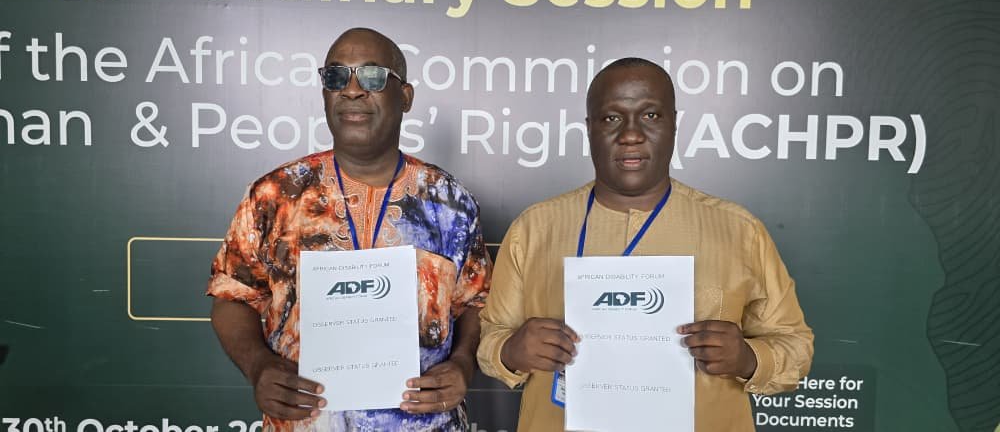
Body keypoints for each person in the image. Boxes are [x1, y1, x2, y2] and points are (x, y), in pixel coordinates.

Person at [477, 58, 813, 431]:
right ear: (589, 129)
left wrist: (749, 358)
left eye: (651, 116)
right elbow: (491, 339)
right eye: (611, 118)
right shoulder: (534, 229)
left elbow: (794, 346)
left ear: (674, 124)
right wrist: (511, 350)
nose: (631, 134)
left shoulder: (738, 231)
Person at [207, 27, 492, 432]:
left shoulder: (449, 201)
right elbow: (231, 297)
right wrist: (259, 366)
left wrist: (463, 364)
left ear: (405, 97)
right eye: (336, 77)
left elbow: (478, 305)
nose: (352, 90)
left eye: (373, 77)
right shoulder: (275, 195)